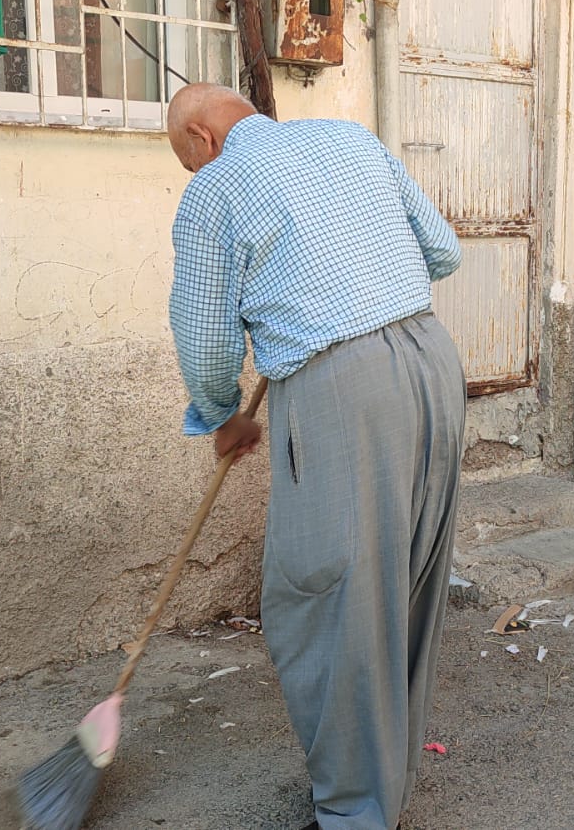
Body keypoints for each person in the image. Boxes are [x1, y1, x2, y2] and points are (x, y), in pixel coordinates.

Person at [165, 84, 466, 830]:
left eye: (184, 159)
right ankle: (382, 787)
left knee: (325, 597)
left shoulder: (214, 190)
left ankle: (357, 812)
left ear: (202, 139)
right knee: (404, 580)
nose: (190, 171)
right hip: (430, 360)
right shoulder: (349, 139)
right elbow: (443, 249)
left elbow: (204, 341)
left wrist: (221, 415)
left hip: (343, 388)